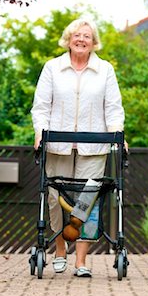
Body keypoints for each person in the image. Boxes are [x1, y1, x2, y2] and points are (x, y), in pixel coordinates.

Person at [31, 17, 125, 277]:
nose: (81, 39)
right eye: (77, 35)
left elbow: (114, 109)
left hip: (94, 147)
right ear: (68, 40)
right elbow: (41, 107)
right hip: (58, 144)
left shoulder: (105, 70)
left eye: (86, 36)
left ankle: (81, 261)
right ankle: (60, 248)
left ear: (94, 42)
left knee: (87, 200)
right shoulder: (52, 68)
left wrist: (118, 134)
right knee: (54, 197)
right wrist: (40, 133)